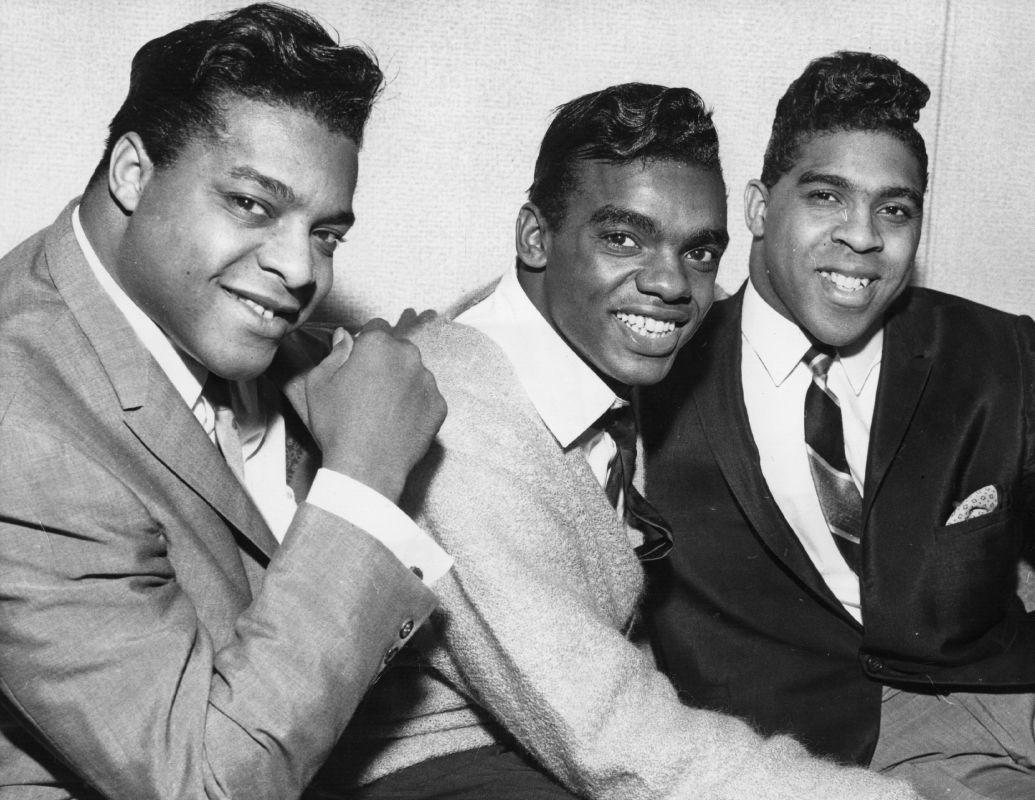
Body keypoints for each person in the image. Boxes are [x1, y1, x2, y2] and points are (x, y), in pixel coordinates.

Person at [332, 82, 919, 800]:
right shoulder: (463, 424)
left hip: (537, 744)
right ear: (534, 237)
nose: (672, 283)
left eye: (700, 253)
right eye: (622, 238)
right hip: (427, 770)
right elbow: (608, 738)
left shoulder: (585, 362)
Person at [0, 5, 451, 799]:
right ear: (133, 174)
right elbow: (207, 784)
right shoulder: (22, 427)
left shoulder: (221, 327)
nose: (300, 268)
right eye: (251, 203)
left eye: (326, 233)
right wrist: (364, 477)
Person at [641, 51, 1035, 798]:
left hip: (1014, 689)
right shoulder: (657, 372)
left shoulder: (995, 351)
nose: (862, 237)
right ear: (758, 208)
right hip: (835, 754)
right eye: (826, 197)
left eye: (894, 209)